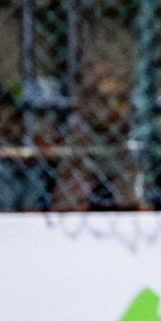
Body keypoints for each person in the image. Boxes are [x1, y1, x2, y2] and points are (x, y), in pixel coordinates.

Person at [51, 56, 142, 212]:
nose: (112, 108)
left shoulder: (138, 135)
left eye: (120, 100)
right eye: (103, 100)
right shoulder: (74, 131)